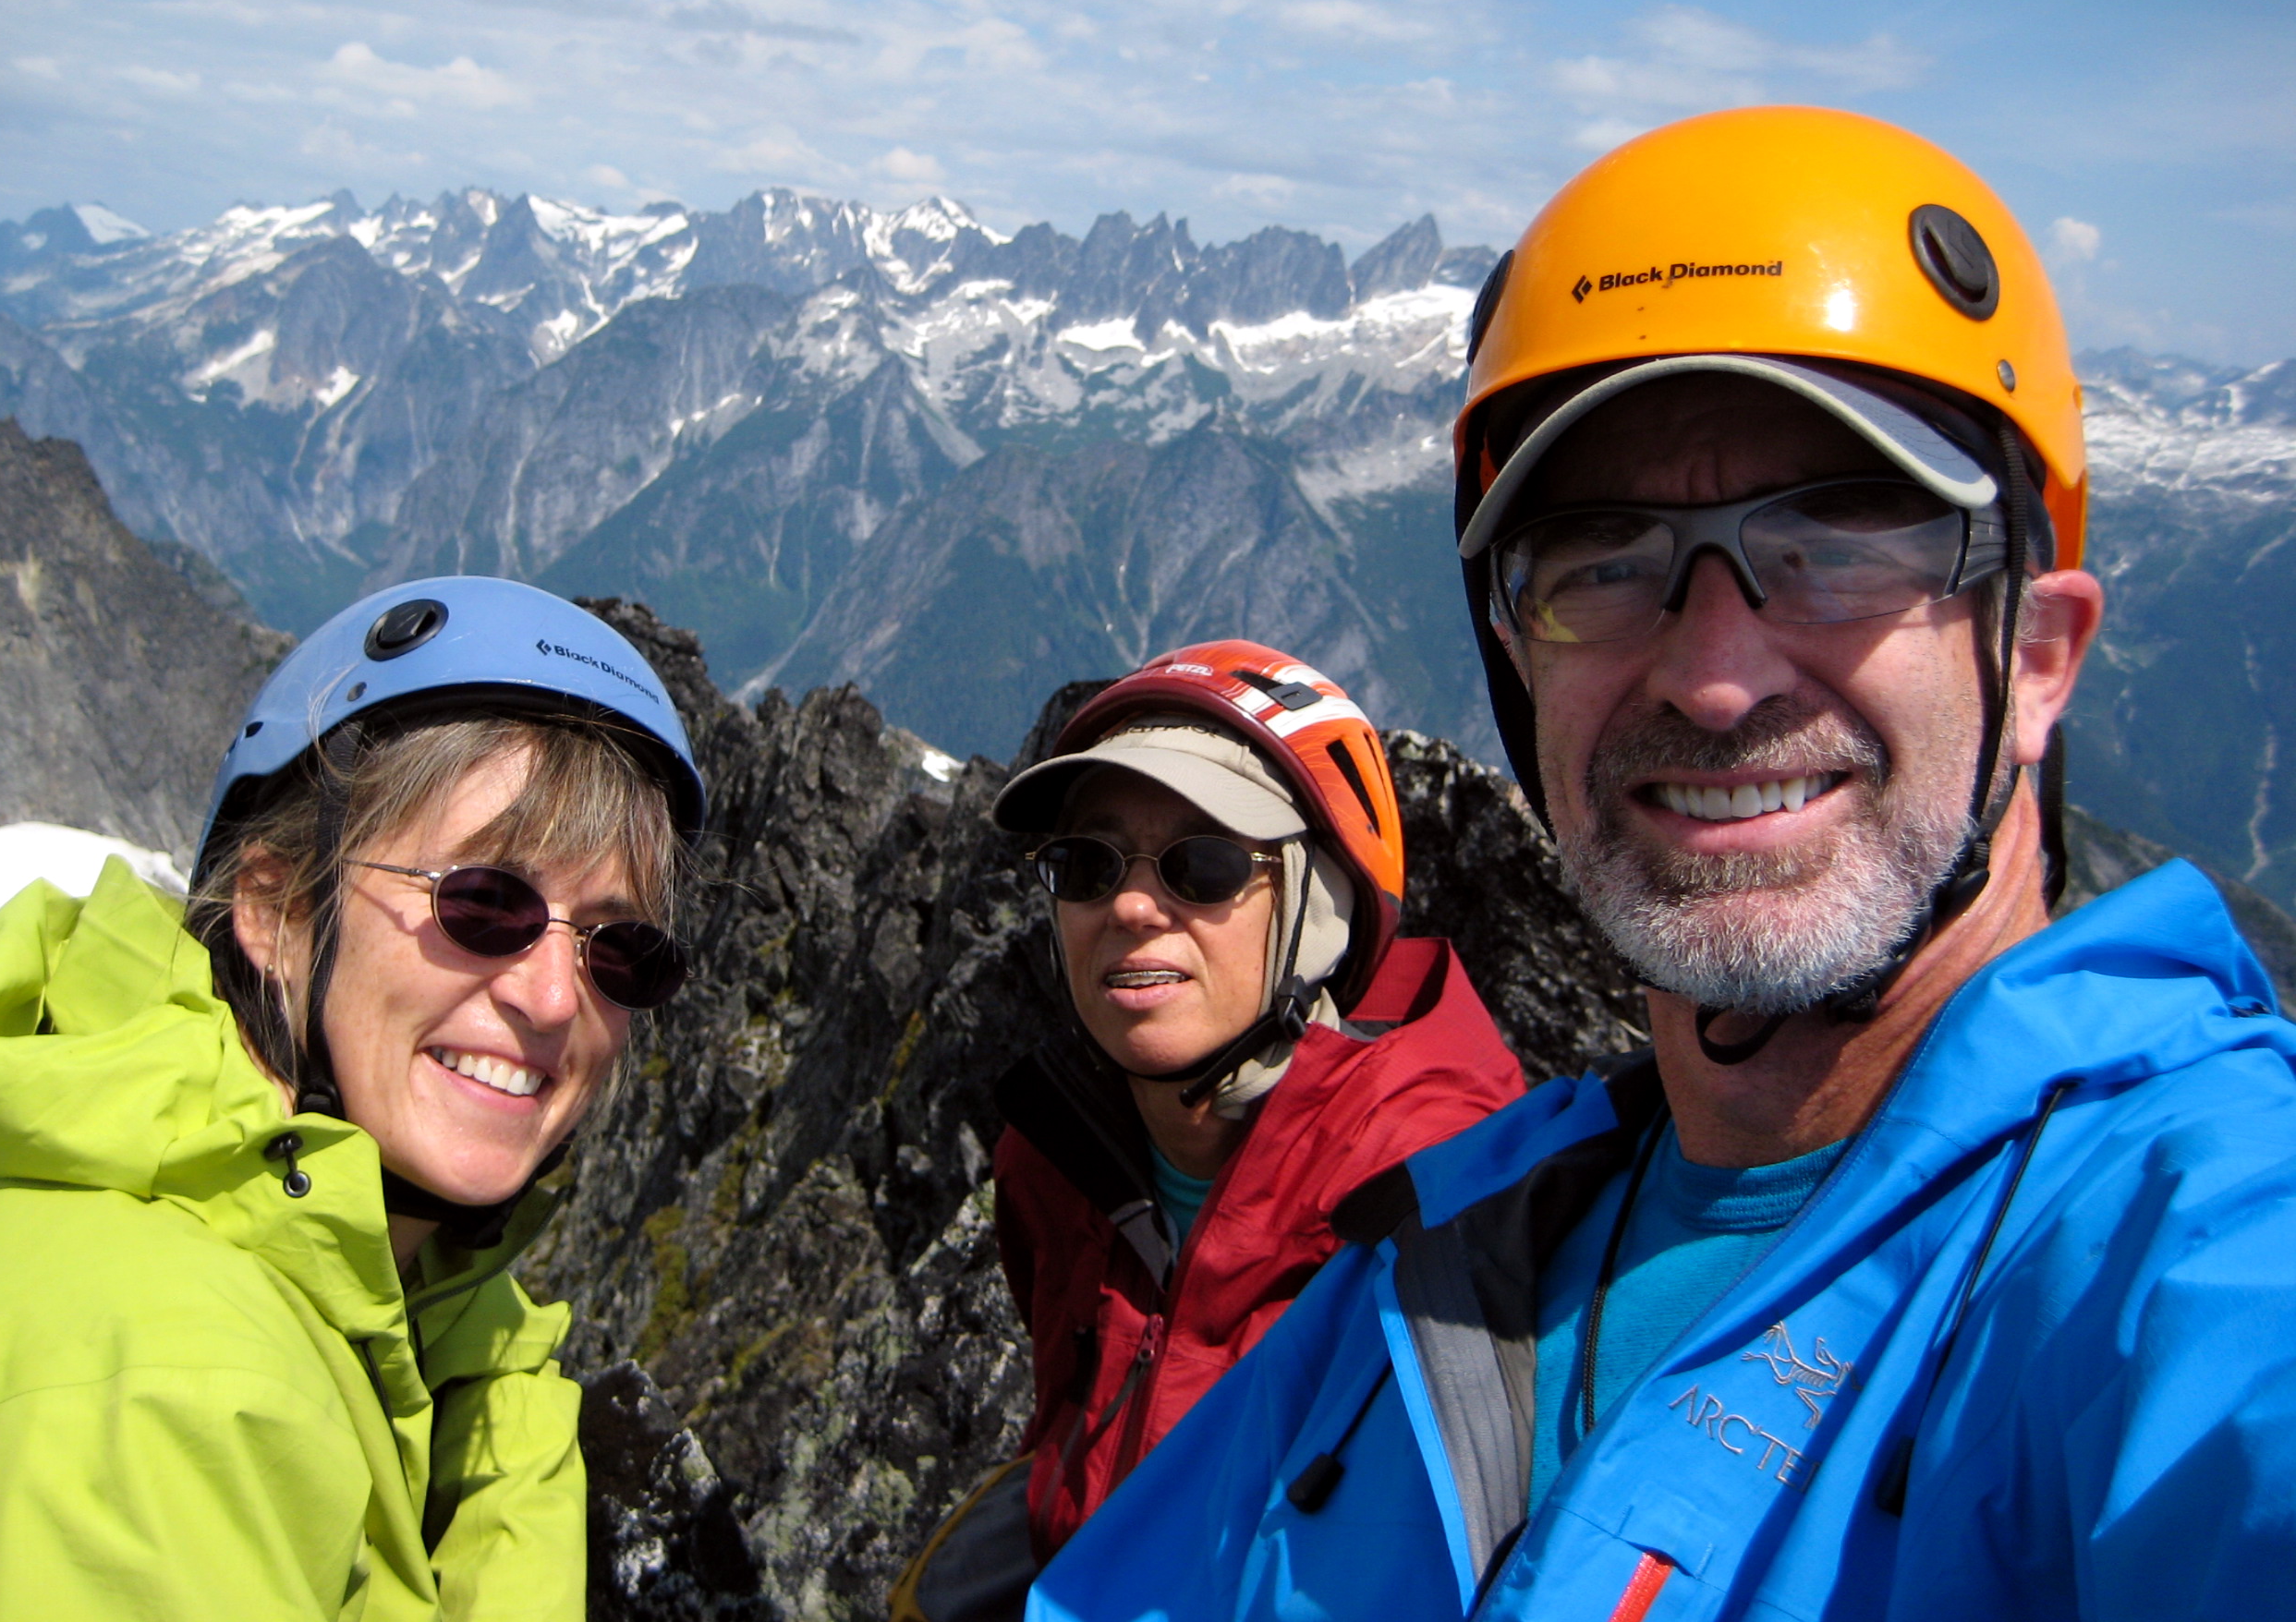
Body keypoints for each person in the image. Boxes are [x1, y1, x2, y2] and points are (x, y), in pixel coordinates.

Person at [1026, 106, 2296, 1622]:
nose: (1709, 674)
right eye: (1603, 560)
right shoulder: (1427, 1254)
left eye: (1836, 541)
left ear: (2035, 652)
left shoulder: (2192, 1225)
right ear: (1514, 664)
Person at [0, 576, 706, 1620]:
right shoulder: (150, 1384)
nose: (556, 998)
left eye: (619, 946)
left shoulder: (411, 1320)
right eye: (483, 901)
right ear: (278, 909)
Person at [893, 643, 1524, 1617]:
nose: (1134, 906)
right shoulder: (1056, 1168)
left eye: (1206, 863)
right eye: (1086, 865)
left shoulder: (1447, 1216)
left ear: (1325, 902)